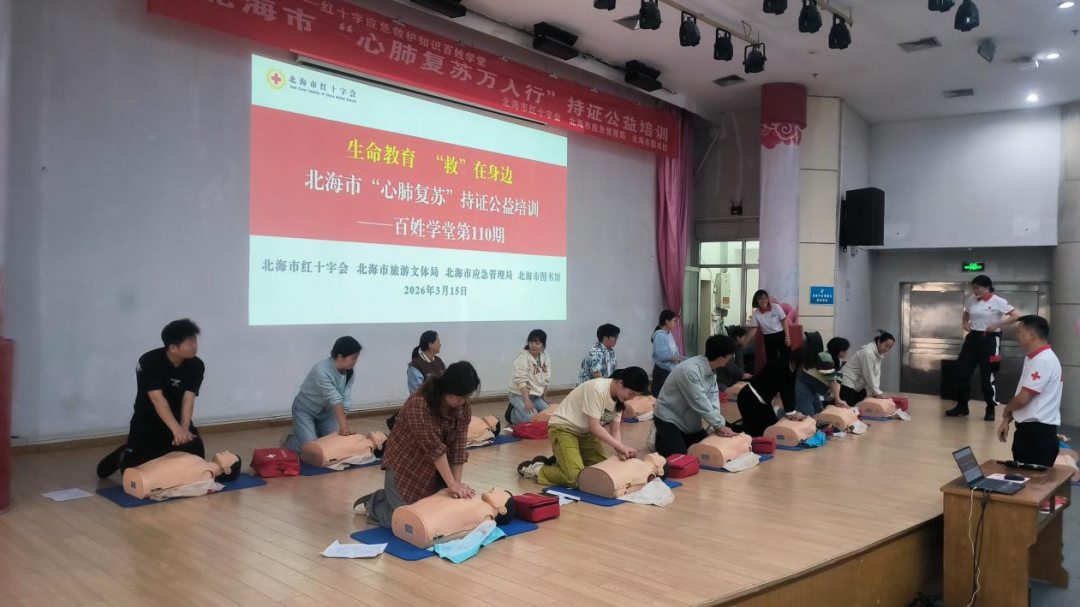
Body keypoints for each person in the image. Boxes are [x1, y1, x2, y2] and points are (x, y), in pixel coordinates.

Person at [355, 361, 481, 528]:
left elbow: (458, 448)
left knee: (439, 516)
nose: (463, 402)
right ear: (449, 388)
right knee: (412, 523)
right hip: (406, 467)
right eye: (460, 397)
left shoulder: (463, 409)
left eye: (466, 397)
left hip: (436, 470)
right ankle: (375, 505)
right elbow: (435, 449)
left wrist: (456, 485)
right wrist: (452, 484)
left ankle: (388, 497)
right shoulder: (419, 404)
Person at [96, 319, 206, 478]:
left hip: (177, 419)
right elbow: (157, 399)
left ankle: (165, 451)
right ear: (173, 348)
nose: (195, 347)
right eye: (190, 344)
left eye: (195, 342)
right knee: (133, 472)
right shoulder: (149, 361)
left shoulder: (197, 365)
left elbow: (188, 399)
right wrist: (176, 430)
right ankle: (122, 455)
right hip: (148, 420)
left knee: (196, 461)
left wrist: (183, 429)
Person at [517, 367, 650, 487]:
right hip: (564, 429)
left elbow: (615, 431)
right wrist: (621, 447)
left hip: (585, 433)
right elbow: (594, 427)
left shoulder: (619, 399)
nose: (631, 398)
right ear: (620, 383)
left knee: (602, 472)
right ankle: (536, 469)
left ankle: (559, 461)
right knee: (575, 478)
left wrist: (620, 450)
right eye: (631, 394)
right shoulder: (598, 388)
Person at [947, 275, 1020, 421]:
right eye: (973, 288)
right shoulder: (972, 300)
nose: (975, 291)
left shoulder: (998, 301)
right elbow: (966, 312)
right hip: (972, 339)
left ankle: (990, 407)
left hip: (990, 340)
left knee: (987, 376)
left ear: (987, 288)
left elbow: (1016, 316)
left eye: (977, 288)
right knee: (961, 371)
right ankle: (962, 406)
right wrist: (964, 323)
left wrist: (998, 324)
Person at [653, 335, 739, 457]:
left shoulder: (711, 369)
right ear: (720, 359)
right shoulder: (690, 371)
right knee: (680, 457)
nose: (731, 359)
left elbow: (713, 399)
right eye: (730, 356)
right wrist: (719, 425)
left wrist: (719, 425)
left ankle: (675, 438)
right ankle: (659, 437)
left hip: (689, 420)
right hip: (669, 417)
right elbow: (700, 401)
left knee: (702, 451)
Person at [997, 315, 1061, 467]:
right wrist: (1008, 419)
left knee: (1032, 480)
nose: (1016, 336)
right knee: (1022, 476)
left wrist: (1007, 409)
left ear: (1032, 335)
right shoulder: (1033, 358)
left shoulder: (1042, 360)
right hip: (1028, 431)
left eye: (1019, 332)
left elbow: (1023, 398)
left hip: (1037, 435)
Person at [283, 337, 362, 452]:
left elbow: (346, 398)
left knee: (333, 445)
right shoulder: (320, 370)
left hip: (327, 412)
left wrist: (343, 427)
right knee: (312, 450)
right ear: (340, 357)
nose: (355, 361)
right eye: (353, 358)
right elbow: (335, 399)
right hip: (305, 410)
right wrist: (343, 427)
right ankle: (291, 441)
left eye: (357, 357)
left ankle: (308, 434)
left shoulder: (349, 372)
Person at [736, 348, 810, 437]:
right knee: (756, 433)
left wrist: (793, 411)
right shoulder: (782, 364)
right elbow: (784, 390)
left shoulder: (792, 368)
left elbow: (791, 390)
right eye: (803, 366)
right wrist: (791, 413)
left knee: (771, 429)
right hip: (749, 398)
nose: (803, 369)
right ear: (799, 362)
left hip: (763, 401)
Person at [506, 329, 552, 425]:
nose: (533, 345)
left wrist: (544, 397)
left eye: (537, 343)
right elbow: (520, 380)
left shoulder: (545, 356)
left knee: (550, 415)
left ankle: (522, 410)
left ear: (543, 345)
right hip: (518, 394)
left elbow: (546, 378)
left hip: (535, 396)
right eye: (531, 342)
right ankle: (511, 414)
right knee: (533, 419)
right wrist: (526, 400)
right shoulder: (523, 357)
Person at [839, 332, 894, 406]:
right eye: (886, 346)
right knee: (847, 405)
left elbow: (876, 374)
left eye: (890, 347)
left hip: (856, 382)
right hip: (847, 380)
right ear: (879, 341)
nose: (887, 349)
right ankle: (826, 404)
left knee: (862, 395)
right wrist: (877, 392)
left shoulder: (879, 354)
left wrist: (876, 391)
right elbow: (868, 374)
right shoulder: (868, 353)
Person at [793, 348, 848, 417]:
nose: (846, 353)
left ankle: (790, 411)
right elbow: (833, 380)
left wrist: (836, 398)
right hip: (803, 386)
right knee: (808, 416)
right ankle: (788, 413)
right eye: (844, 351)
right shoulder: (825, 357)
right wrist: (838, 399)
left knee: (820, 413)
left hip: (812, 388)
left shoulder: (837, 360)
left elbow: (837, 380)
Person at [747, 290, 791, 364]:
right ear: (756, 300)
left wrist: (787, 337)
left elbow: (784, 322)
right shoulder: (756, 313)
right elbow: (754, 330)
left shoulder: (776, 307)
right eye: (760, 299)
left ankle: (788, 371)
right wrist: (745, 341)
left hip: (781, 335)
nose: (763, 300)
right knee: (771, 361)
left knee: (787, 358)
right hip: (768, 338)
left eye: (765, 298)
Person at [651, 310, 684, 396]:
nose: (675, 323)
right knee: (660, 397)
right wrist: (679, 359)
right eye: (674, 321)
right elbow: (663, 356)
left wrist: (684, 359)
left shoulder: (669, 334)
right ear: (667, 321)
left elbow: (675, 353)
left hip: (670, 370)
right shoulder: (660, 335)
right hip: (662, 371)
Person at [407, 330, 445, 395]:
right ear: (430, 345)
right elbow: (416, 394)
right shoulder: (415, 366)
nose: (440, 344)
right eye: (438, 341)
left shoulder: (439, 361)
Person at [717, 326, 753, 390]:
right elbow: (729, 364)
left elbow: (740, 363)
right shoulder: (726, 347)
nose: (746, 339)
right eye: (744, 337)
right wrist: (742, 374)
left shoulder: (738, 348)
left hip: (732, 380)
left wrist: (742, 374)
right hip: (722, 381)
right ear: (738, 338)